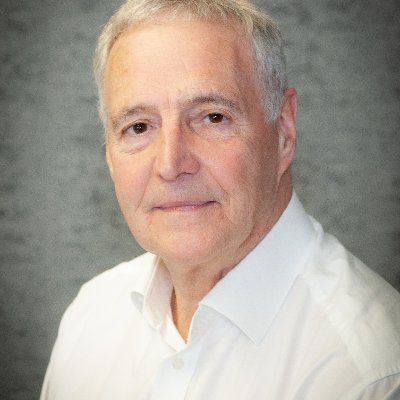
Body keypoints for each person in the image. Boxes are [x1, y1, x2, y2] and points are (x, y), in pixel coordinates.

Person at [40, 0, 400, 399]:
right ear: (108, 153)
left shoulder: (370, 373)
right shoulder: (90, 317)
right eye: (138, 126)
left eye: (213, 117)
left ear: (283, 131)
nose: (171, 164)